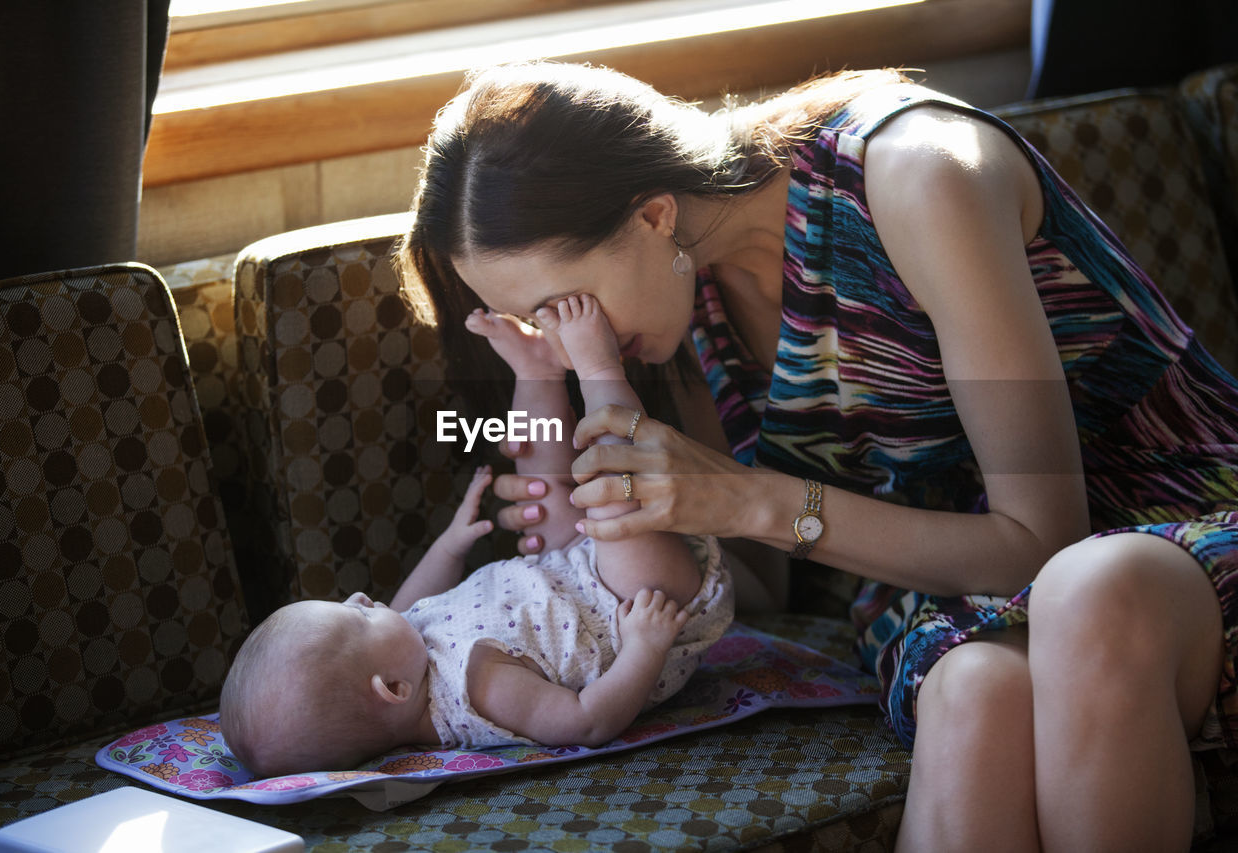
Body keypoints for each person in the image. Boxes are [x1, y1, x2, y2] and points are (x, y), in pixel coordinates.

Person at [396, 60, 1238, 850]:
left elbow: (1046, 542)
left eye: (563, 302)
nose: (574, 338)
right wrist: (617, 535)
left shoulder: (916, 174)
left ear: (654, 216)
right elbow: (761, 589)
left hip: (1170, 525)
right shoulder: (681, 315)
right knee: (974, 692)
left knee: (1088, 590)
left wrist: (745, 498)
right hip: (951, 598)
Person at [219, 295, 734, 777]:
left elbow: (412, 596)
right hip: (640, 604)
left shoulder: (402, 648)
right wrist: (644, 646)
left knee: (542, 492)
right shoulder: (480, 690)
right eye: (356, 614)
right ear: (393, 691)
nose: (360, 596)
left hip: (569, 567)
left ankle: (538, 371)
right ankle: (600, 367)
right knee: (608, 491)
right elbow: (587, 722)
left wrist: (450, 542)